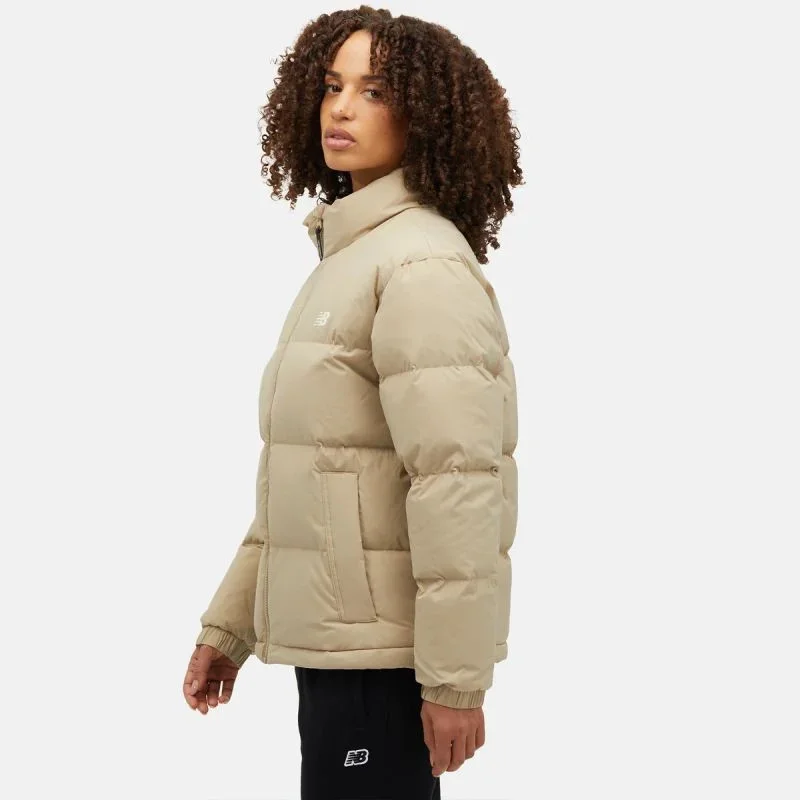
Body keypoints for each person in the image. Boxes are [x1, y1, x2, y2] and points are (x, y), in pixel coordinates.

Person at [183, 7, 522, 799]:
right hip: (341, 646)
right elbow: (307, 480)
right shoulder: (349, 261)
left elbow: (458, 483)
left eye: (374, 91)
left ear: (426, 114)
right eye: (333, 86)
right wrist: (232, 624)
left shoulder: (419, 265)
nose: (340, 108)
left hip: (386, 660)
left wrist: (456, 679)